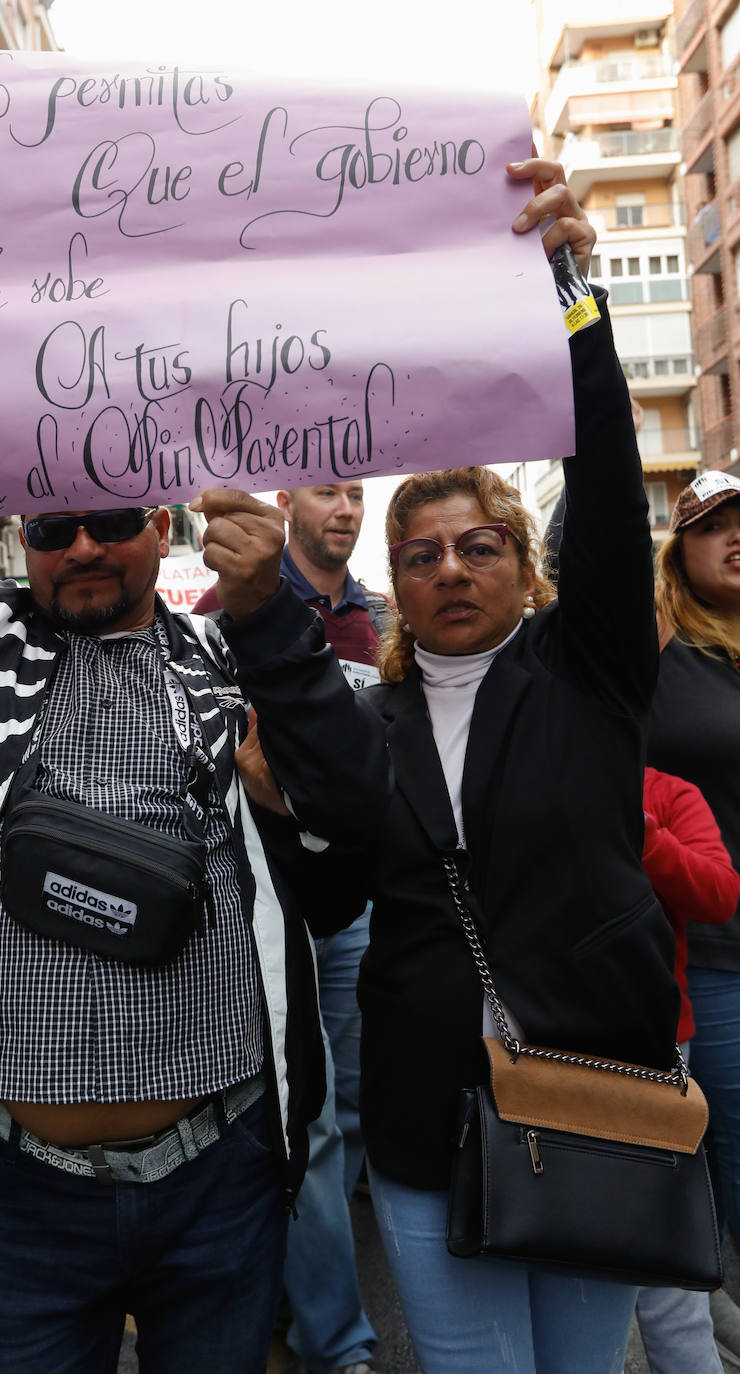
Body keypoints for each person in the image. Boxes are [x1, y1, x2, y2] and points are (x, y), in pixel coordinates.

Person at [0, 101, 390, 1374]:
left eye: (110, 514)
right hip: (30, 1197)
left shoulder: (234, 658)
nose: (79, 542)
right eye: (47, 525)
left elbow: (361, 820)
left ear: (161, 524)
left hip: (223, 1181)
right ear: (16, 541)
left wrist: (273, 635)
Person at [244, 158, 680, 1373]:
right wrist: (285, 814)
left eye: (477, 546)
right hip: (428, 1123)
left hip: (602, 1094)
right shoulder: (365, 718)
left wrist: (569, 291)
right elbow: (334, 903)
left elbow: (604, 487)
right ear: (398, 579)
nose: (447, 570)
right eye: (421, 552)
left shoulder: (586, 665)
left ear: (523, 566)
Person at [199, 481, 389, 1374]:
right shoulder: (217, 609)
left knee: (345, 1107)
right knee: (296, 1119)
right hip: (262, 905)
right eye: (327, 491)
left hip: (351, 907)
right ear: (285, 503)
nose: (345, 508)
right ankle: (330, 1333)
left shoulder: (381, 617)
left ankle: (312, 1282)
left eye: (356, 492)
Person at [648, 469, 740, 1371]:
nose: (737, 534)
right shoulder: (663, 668)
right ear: (682, 555)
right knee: (726, 1161)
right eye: (715, 525)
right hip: (715, 956)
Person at [633, 764, 739, 1374]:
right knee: (562, 1243)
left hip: (654, 1047)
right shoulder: (520, 774)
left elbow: (719, 893)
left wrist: (642, 832)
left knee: (666, 1267)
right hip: (537, 1047)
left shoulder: (666, 792)